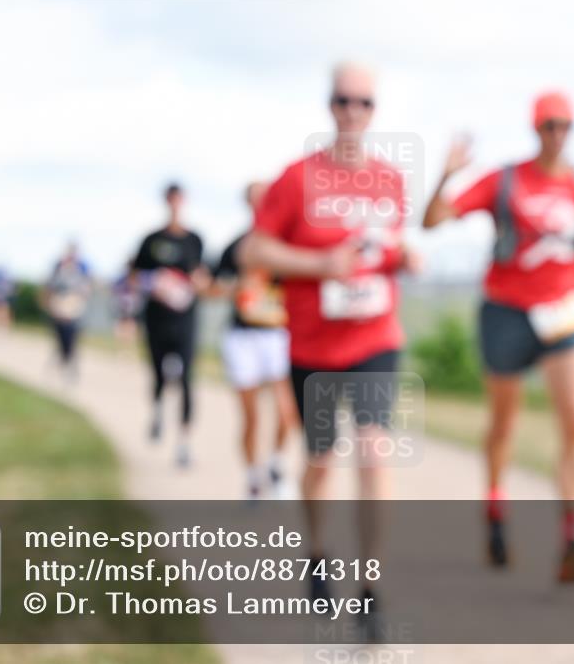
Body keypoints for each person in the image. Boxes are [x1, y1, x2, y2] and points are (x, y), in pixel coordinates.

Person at [240, 62, 421, 631]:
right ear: (329, 106)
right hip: (314, 347)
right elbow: (253, 252)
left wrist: (405, 259)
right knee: (320, 461)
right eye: (343, 101)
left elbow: (385, 251)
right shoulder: (296, 178)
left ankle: (370, 587)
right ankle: (317, 553)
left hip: (375, 338)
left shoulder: (391, 180)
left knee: (373, 451)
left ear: (375, 111)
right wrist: (319, 264)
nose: (352, 112)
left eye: (364, 103)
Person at [422, 91, 574, 583]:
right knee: (503, 425)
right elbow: (431, 222)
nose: (556, 134)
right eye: (548, 126)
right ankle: (494, 508)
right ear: (535, 129)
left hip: (563, 315)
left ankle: (572, 540)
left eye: (564, 126)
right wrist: (446, 175)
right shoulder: (505, 180)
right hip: (507, 312)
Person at [209, 182, 298, 500]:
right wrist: (236, 287)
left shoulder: (287, 242)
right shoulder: (236, 246)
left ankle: (276, 464)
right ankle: (253, 476)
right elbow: (211, 288)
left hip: (278, 333)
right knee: (251, 416)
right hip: (243, 335)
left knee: (288, 411)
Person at [132, 182, 209, 466]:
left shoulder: (195, 240)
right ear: (166, 201)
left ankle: (184, 443)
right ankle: (157, 411)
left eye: (180, 199)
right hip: (156, 317)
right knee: (158, 374)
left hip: (185, 318)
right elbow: (134, 275)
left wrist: (196, 284)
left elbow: (204, 276)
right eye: (171, 199)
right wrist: (155, 283)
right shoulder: (151, 239)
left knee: (188, 378)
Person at [42, 242, 92, 384]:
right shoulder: (59, 265)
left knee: (72, 335)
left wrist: (80, 299)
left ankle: (69, 361)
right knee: (60, 333)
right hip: (59, 303)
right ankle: (63, 357)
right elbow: (50, 285)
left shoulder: (82, 267)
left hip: (73, 305)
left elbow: (87, 286)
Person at [111, 260, 141, 346]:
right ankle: (120, 345)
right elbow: (115, 290)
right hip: (123, 308)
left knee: (131, 329)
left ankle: (128, 345)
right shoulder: (121, 280)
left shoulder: (139, 279)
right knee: (121, 328)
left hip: (134, 309)